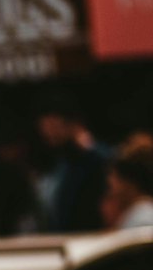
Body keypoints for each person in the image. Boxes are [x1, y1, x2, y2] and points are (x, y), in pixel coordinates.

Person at [32, 89, 111, 233]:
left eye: (55, 128)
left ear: (74, 124)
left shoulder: (102, 161)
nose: (50, 137)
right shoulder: (62, 163)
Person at [102, 133, 153, 230]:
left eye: (114, 179)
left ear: (127, 182)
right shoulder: (139, 214)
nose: (111, 190)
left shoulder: (141, 221)